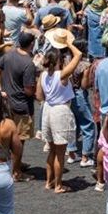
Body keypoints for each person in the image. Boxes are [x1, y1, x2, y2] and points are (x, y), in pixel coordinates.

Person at [38, 29, 82, 193]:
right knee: (60, 152)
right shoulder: (62, 75)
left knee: (51, 150)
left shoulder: (43, 75)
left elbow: (39, 95)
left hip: (48, 109)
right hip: (60, 110)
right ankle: (58, 185)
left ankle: (49, 182)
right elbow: (78, 56)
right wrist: (69, 43)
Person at [0, 32, 38, 180]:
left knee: (7, 139)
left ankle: (15, 165)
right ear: (31, 44)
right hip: (22, 106)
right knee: (19, 141)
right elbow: (28, 90)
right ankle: (16, 172)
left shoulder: (9, 56)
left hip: (7, 104)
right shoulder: (28, 64)